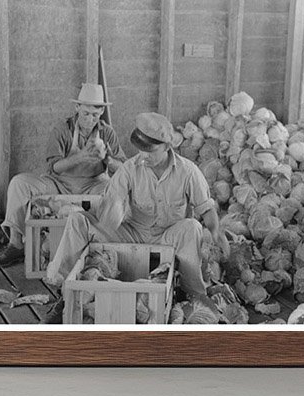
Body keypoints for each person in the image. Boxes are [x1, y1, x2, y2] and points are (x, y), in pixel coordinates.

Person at [44, 111, 230, 298]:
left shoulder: (188, 171)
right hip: (132, 235)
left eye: (150, 150)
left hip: (168, 236)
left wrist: (215, 231)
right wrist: (112, 211)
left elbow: (206, 208)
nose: (144, 155)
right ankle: (60, 281)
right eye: (141, 149)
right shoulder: (129, 169)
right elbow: (113, 200)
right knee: (78, 221)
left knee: (193, 227)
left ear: (166, 146)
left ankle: (194, 293)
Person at [0, 83, 124, 267]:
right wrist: (81, 157)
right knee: (19, 183)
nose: (89, 119)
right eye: (85, 113)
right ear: (77, 108)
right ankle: (16, 244)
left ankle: (103, 245)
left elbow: (123, 168)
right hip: (60, 183)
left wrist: (108, 159)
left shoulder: (107, 133)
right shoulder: (62, 130)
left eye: (95, 114)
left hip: (94, 184)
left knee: (119, 191)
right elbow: (55, 167)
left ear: (101, 112)